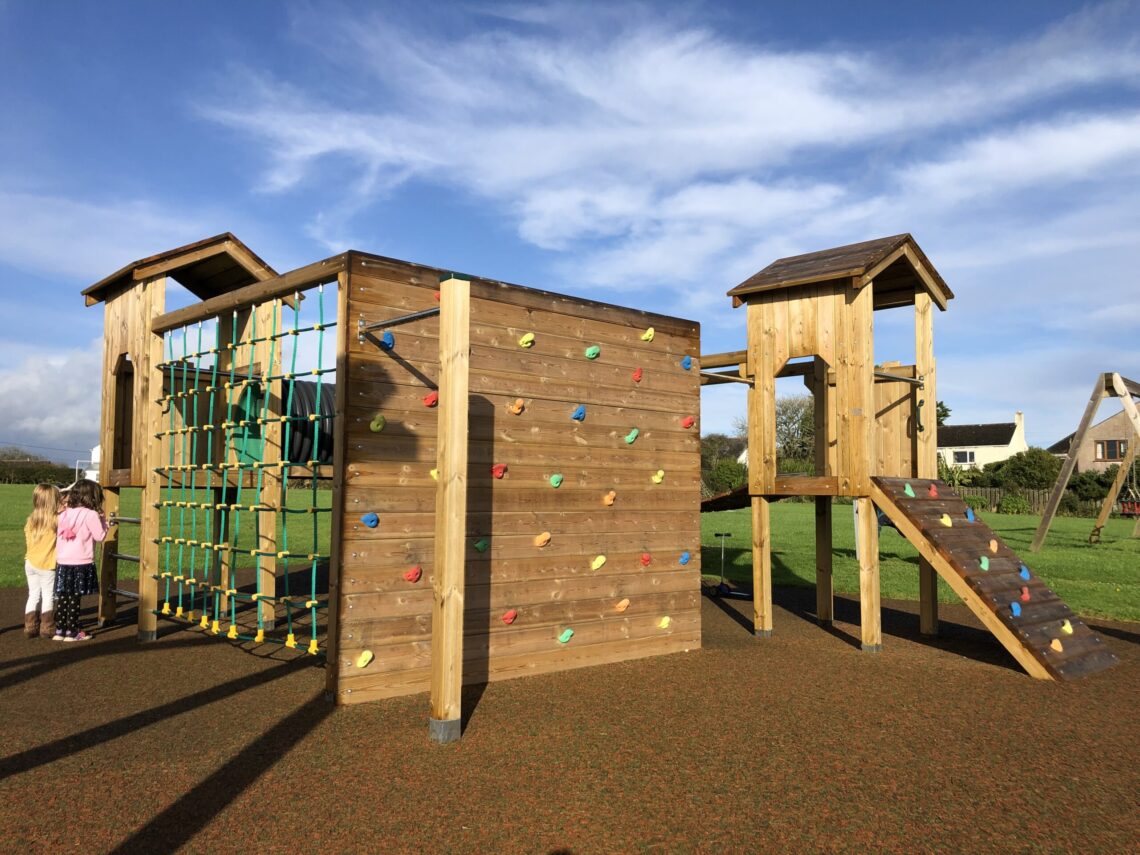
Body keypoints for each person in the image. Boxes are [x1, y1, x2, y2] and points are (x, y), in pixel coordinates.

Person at [53, 479, 111, 642]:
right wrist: (105, 523)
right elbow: (100, 536)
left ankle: (60, 629)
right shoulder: (91, 514)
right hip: (81, 561)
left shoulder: (64, 513)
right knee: (75, 597)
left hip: (63, 561)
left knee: (64, 595)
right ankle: (73, 631)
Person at [23, 483, 61, 638]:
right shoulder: (55, 521)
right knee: (48, 596)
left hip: (30, 562)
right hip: (47, 565)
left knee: (33, 595)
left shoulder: (31, 520)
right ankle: (47, 627)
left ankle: (30, 626)